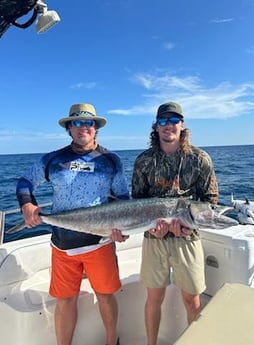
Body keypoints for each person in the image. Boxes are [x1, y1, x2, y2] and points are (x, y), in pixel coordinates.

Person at [16, 103, 129, 345]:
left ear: (95, 128)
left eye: (88, 123)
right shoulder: (53, 159)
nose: (83, 128)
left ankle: (112, 341)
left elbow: (122, 199)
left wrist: (124, 227)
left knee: (106, 295)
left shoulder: (111, 160)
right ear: (69, 128)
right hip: (62, 245)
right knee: (65, 299)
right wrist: (27, 205)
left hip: (100, 242)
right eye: (76, 123)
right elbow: (25, 181)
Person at [131, 101, 218, 345]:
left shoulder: (200, 159)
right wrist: (153, 228)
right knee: (154, 298)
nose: (168, 125)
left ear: (182, 125)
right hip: (153, 239)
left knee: (192, 300)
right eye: (163, 121)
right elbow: (137, 202)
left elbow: (210, 200)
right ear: (156, 128)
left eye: (173, 121)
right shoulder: (143, 161)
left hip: (187, 239)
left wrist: (189, 226)